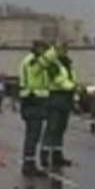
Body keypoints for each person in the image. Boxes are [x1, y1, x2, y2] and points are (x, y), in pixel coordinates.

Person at [41, 40, 78, 169]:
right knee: (52, 127)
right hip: (55, 96)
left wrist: (75, 94)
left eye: (66, 48)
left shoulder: (67, 64)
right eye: (62, 48)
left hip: (66, 98)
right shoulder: (53, 63)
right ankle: (44, 154)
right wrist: (74, 87)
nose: (65, 50)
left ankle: (57, 155)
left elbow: (71, 78)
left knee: (61, 128)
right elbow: (58, 80)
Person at [17, 39, 51, 177]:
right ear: (38, 48)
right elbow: (40, 68)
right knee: (33, 135)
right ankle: (29, 165)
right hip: (33, 99)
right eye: (44, 49)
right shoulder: (33, 61)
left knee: (33, 135)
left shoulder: (28, 60)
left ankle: (29, 163)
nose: (45, 52)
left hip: (32, 99)